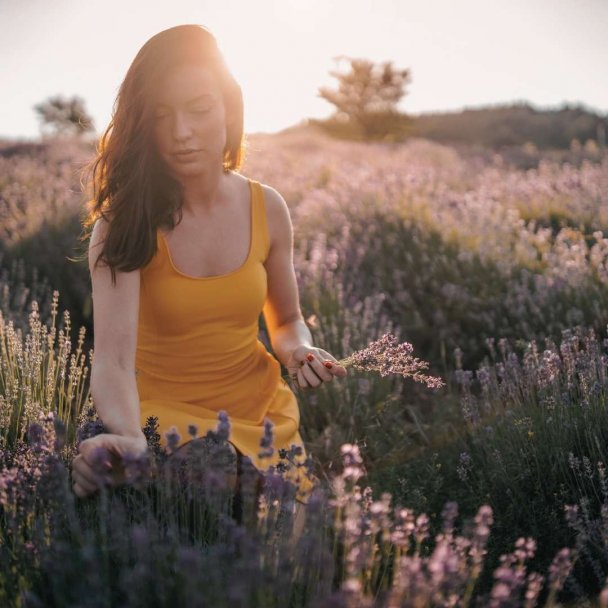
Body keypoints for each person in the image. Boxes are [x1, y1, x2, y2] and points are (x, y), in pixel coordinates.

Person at [70, 24, 347, 530]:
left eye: (198, 109)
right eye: (161, 115)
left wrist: (298, 351)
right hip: (163, 415)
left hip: (264, 415)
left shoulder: (268, 207)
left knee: (288, 568)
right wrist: (129, 437)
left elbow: (285, 320)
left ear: (229, 108)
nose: (180, 132)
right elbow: (111, 358)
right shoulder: (123, 225)